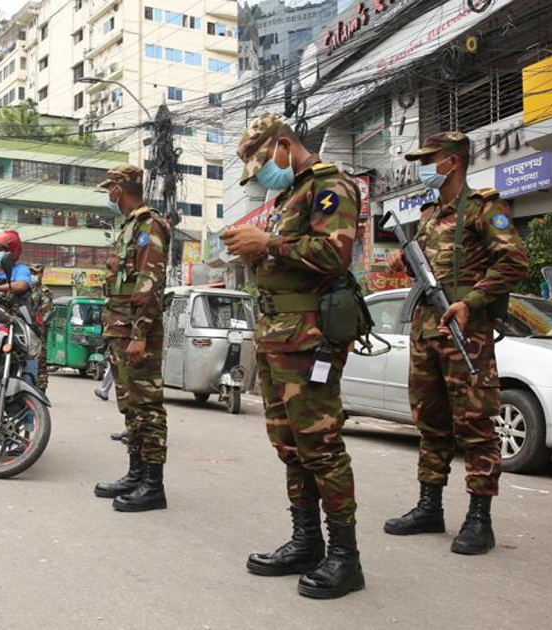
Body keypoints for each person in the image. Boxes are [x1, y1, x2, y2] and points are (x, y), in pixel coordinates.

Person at [221, 112, 363, 599]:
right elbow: (290, 258)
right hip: (277, 336)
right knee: (290, 446)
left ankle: (345, 557)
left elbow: (334, 254)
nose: (263, 176)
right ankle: (307, 542)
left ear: (285, 145)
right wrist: (256, 253)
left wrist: (269, 243)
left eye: (265, 164)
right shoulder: (289, 195)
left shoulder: (331, 186)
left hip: (310, 338)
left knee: (321, 446)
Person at [384, 131, 529, 556]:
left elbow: (515, 261)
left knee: (477, 425)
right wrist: (401, 261)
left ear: (451, 162)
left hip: (466, 331)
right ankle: (429, 507)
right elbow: (430, 269)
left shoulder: (485, 208)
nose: (422, 168)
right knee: (430, 421)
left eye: (428, 160)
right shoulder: (429, 216)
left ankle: (479, 519)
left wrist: (473, 301)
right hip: (427, 329)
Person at [92, 164, 171, 513]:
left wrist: (139, 335)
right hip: (120, 330)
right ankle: (136, 473)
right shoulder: (127, 227)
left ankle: (153, 485)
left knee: (148, 408)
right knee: (131, 409)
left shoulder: (148, 224)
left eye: (110, 188)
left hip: (138, 332)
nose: (108, 194)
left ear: (119, 189)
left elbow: (150, 283)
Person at [29, 264, 54, 392]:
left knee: (40, 362)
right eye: (31, 272)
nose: (33, 275)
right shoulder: (24, 289)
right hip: (24, 331)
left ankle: (41, 390)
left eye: (36, 273)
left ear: (42, 274)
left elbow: (45, 313)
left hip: (38, 333)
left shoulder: (45, 292)